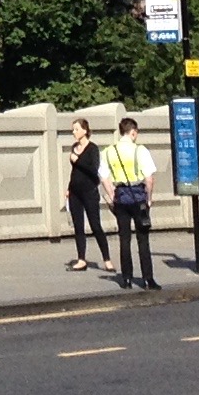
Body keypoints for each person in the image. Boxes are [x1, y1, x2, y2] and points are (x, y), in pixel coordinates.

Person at [107, 117, 158, 291]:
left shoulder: (109, 151)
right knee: (143, 240)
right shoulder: (140, 150)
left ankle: (126, 279)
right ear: (133, 132)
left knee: (124, 239)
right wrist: (149, 198)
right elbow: (149, 179)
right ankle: (148, 279)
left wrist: (112, 194)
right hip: (138, 197)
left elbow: (103, 177)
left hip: (121, 198)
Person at [65, 118, 112, 272]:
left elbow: (93, 169)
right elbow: (75, 172)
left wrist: (77, 160)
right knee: (78, 226)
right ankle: (81, 259)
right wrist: (68, 188)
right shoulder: (74, 147)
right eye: (73, 129)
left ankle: (107, 259)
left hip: (89, 192)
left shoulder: (92, 149)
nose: (74, 132)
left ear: (85, 130)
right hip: (75, 192)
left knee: (95, 225)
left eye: (76, 129)